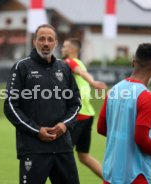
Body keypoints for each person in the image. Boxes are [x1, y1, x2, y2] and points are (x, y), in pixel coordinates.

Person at [4, 24, 81, 184]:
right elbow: (10, 106)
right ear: (34, 42)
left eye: (50, 39)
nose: (46, 43)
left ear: (56, 43)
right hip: (33, 149)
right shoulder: (22, 67)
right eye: (42, 39)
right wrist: (36, 130)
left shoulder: (64, 68)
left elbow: (75, 103)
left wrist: (65, 125)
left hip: (63, 149)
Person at [97, 43, 151, 184]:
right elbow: (141, 138)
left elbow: (101, 128)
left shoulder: (114, 90)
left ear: (133, 62)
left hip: (110, 175)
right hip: (135, 176)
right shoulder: (146, 97)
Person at [61, 38, 106, 179]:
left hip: (78, 115)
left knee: (63, 154)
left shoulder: (69, 62)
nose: (62, 49)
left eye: (64, 46)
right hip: (87, 114)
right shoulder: (80, 63)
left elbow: (80, 72)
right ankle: (113, 181)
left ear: (72, 50)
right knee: (84, 156)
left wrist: (93, 83)